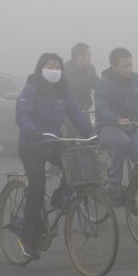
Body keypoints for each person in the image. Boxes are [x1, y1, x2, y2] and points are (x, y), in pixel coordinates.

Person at [15, 53, 93, 260]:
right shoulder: (31, 89)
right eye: (51, 65)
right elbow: (22, 114)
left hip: (52, 141)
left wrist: (91, 134)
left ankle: (59, 200)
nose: (55, 69)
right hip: (31, 144)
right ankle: (27, 238)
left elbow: (76, 113)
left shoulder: (63, 91)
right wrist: (33, 130)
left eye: (58, 67)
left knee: (76, 166)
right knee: (37, 188)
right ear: (41, 68)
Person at [94, 47, 138, 204]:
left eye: (130, 65)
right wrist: (116, 119)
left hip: (131, 128)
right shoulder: (103, 83)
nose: (129, 69)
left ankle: (130, 194)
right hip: (108, 128)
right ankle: (114, 183)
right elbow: (100, 111)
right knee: (122, 142)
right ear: (114, 67)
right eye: (124, 66)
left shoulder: (137, 79)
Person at [63, 43, 99, 137]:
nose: (90, 58)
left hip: (84, 109)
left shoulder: (91, 69)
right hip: (68, 112)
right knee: (74, 137)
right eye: (88, 55)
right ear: (79, 56)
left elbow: (99, 87)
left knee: (89, 136)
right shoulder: (66, 70)